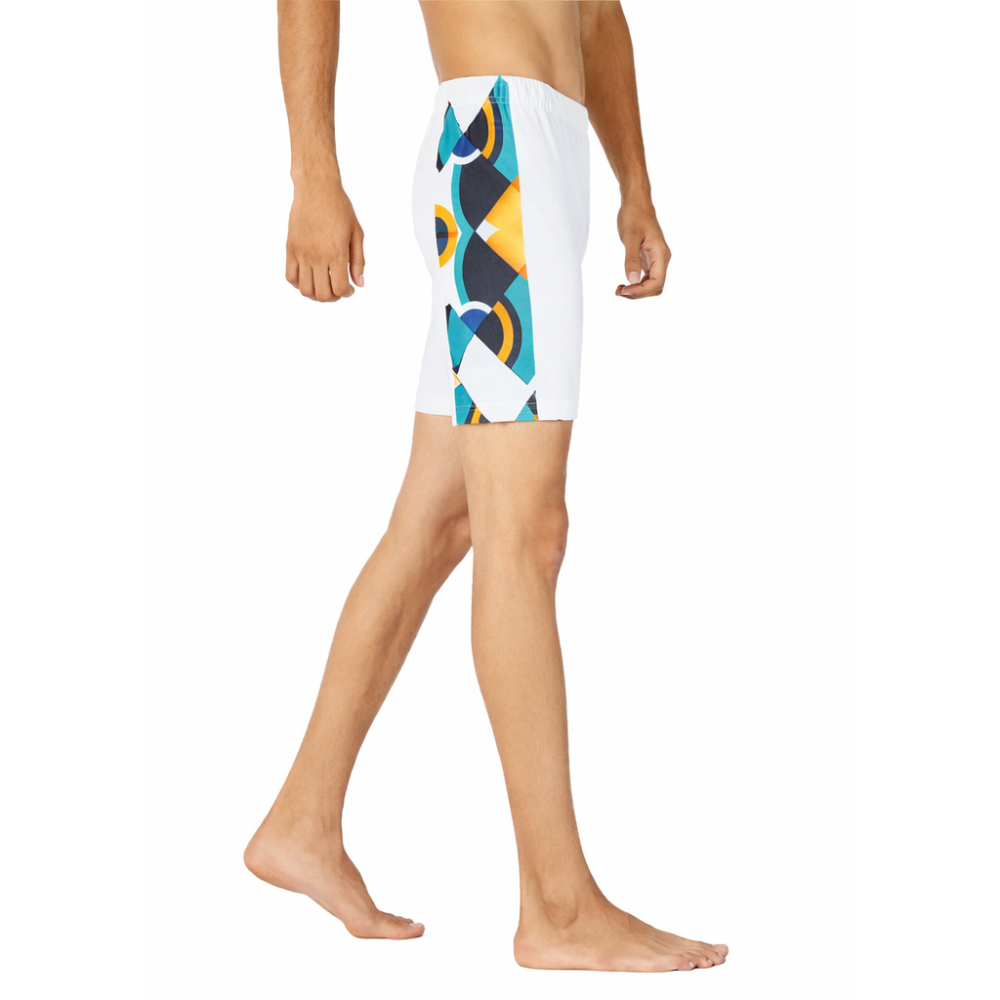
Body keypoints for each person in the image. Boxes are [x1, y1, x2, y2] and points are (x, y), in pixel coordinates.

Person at [245, 1, 728, 973]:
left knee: (445, 517)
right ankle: (558, 906)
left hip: (537, 154)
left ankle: (303, 818)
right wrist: (312, 174)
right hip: (494, 150)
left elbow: (598, 14)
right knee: (526, 531)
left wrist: (634, 186)